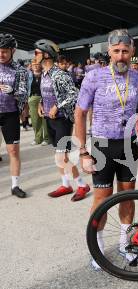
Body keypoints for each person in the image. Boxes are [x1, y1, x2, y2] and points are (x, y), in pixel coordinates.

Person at [74, 29, 138, 270]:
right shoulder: (94, 76)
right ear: (109, 52)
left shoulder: (136, 76)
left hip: (128, 144)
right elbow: (80, 113)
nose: (121, 55)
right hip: (102, 145)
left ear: (132, 51)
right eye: (116, 51)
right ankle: (98, 246)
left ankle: (125, 243)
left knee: (129, 195)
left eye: (125, 51)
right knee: (101, 199)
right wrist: (82, 151)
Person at [34, 39, 90, 202]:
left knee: (61, 156)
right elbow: (46, 93)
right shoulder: (43, 74)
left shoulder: (60, 74)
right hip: (49, 119)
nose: (34, 55)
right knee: (58, 155)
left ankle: (81, 185)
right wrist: (41, 104)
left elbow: (74, 94)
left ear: (46, 55)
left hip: (62, 119)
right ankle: (66, 184)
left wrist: (57, 106)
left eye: (37, 53)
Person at [0, 33, 29, 198]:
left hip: (10, 114)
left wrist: (13, 92)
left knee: (13, 151)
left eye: (4, 51)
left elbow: (24, 95)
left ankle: (15, 185)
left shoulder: (20, 70)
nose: (1, 54)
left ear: (13, 51)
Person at [28, 59, 49, 145]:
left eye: (37, 64)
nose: (36, 66)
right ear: (31, 66)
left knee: (44, 118)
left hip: (44, 98)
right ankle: (37, 138)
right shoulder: (28, 75)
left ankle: (47, 138)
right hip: (32, 98)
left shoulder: (45, 75)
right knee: (35, 119)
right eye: (34, 65)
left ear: (40, 65)